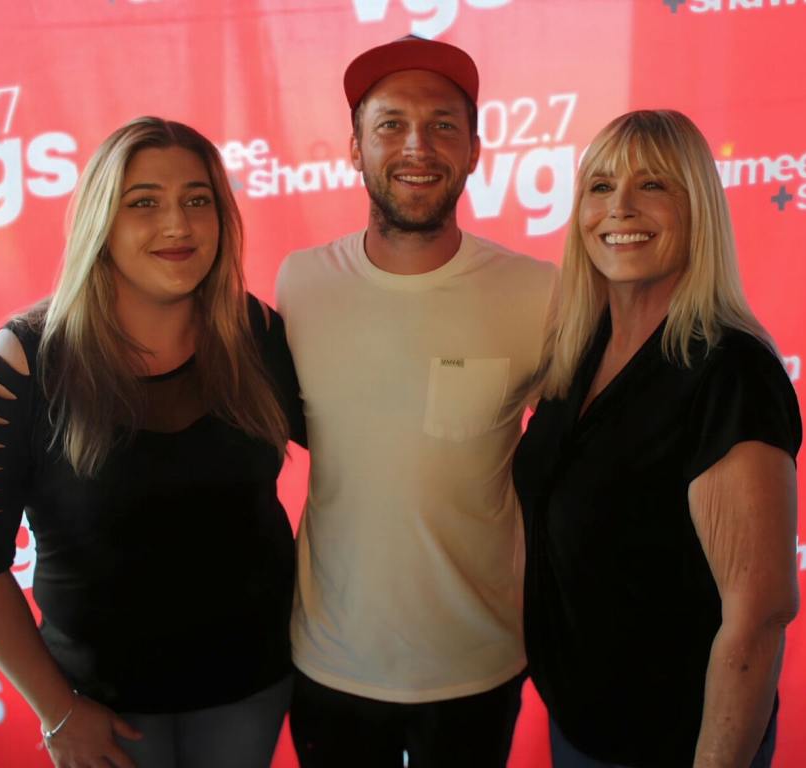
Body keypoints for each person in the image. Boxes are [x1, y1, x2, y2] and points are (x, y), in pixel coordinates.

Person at [0, 116, 304, 768]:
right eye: (144, 203)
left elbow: (357, 449)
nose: (178, 225)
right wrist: (59, 711)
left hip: (255, 682)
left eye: (198, 200)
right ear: (101, 222)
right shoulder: (25, 362)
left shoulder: (255, 334)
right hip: (98, 705)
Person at [275, 36, 556, 768]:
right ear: (355, 147)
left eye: (442, 125)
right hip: (332, 661)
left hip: (478, 662)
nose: (417, 146)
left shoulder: (539, 293)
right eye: (391, 124)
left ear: (474, 151)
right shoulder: (301, 285)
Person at [513, 109, 801, 768]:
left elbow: (759, 613)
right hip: (582, 728)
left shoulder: (730, 373)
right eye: (601, 186)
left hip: (676, 745)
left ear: (696, 207)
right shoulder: (577, 350)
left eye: (653, 186)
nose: (620, 207)